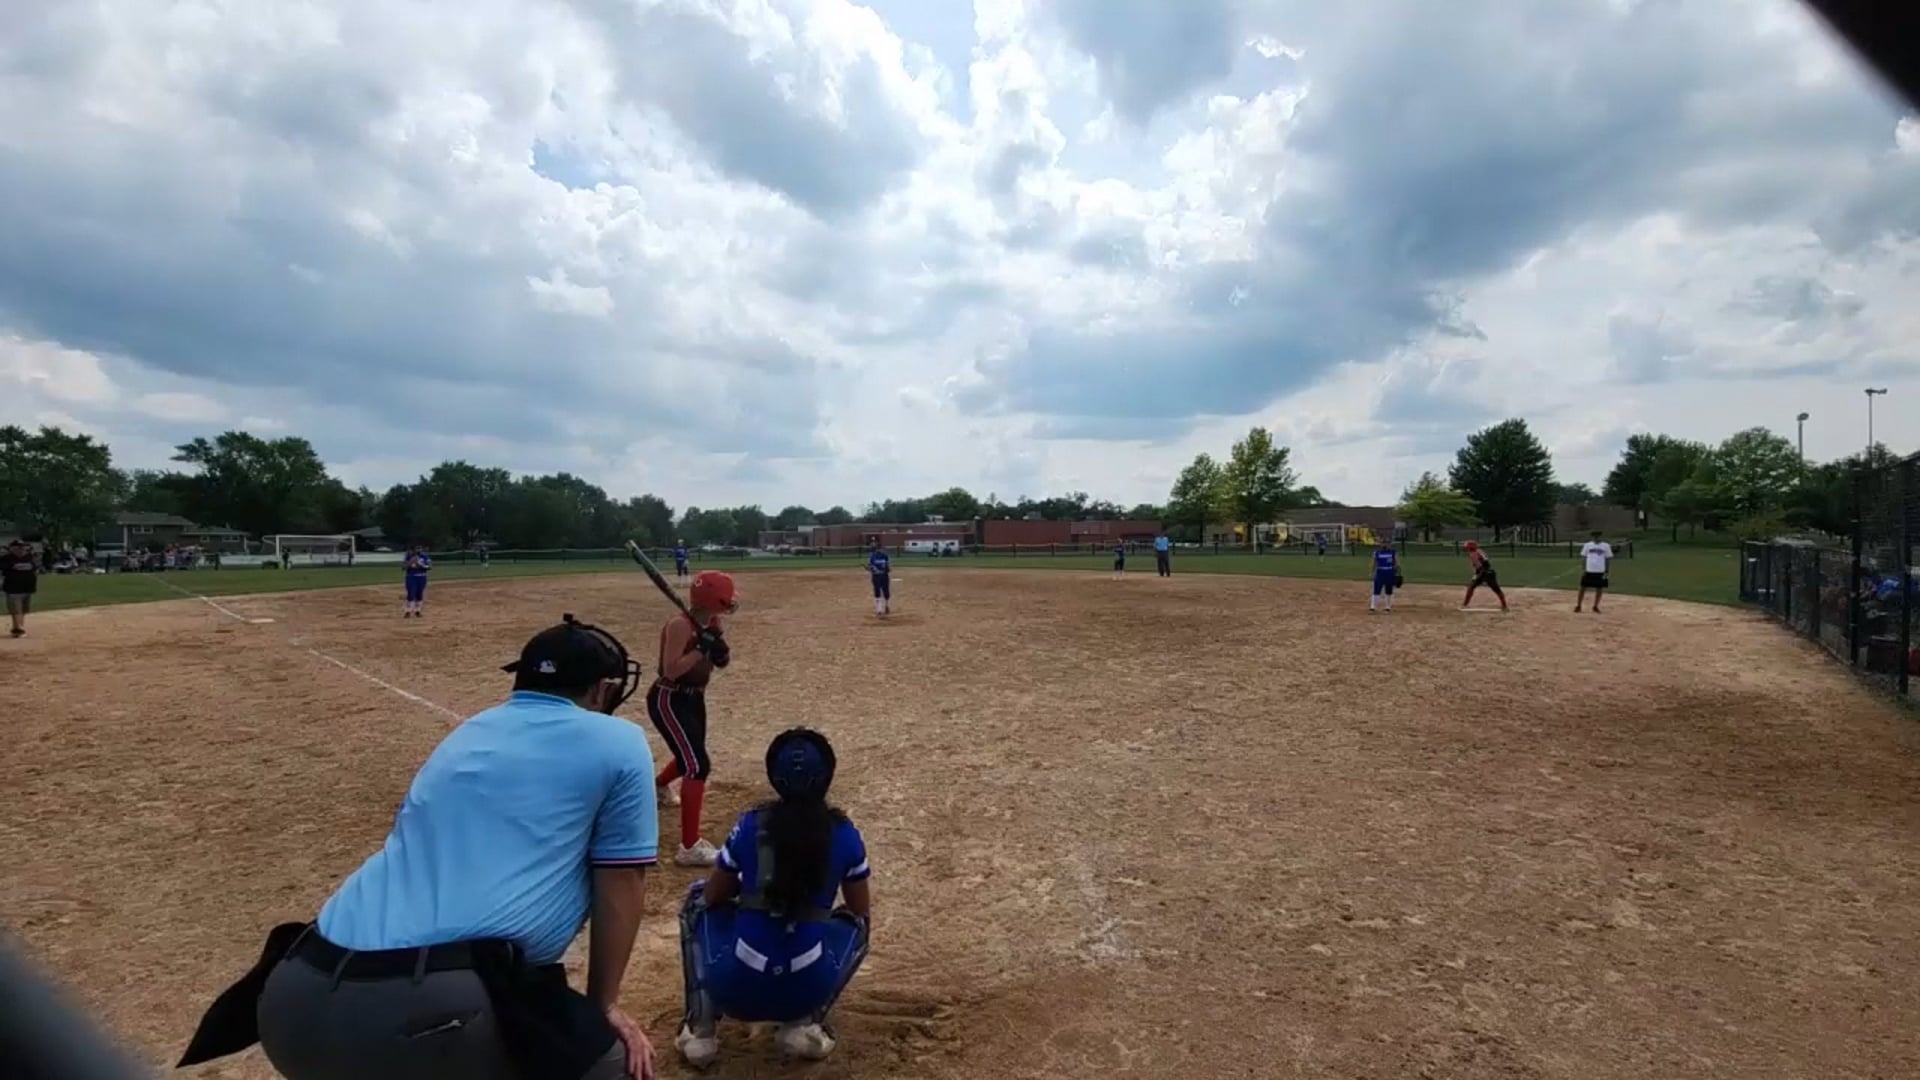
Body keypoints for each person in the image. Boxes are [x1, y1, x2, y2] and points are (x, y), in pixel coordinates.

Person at [179, 614, 660, 1080]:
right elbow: (622, 878)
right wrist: (603, 1006)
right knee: (612, 1064)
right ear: (602, 690)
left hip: (292, 994)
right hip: (420, 1010)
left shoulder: (471, 731)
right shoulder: (618, 739)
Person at [674, 728, 871, 1068]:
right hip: (806, 989)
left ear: (774, 778)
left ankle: (700, 1031)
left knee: (696, 904)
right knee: (857, 924)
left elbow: (714, 894)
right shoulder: (844, 833)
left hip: (734, 988)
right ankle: (806, 1025)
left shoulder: (751, 825)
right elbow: (859, 908)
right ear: (827, 776)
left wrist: (750, 893)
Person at [649, 570, 738, 866]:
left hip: (693, 698)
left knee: (689, 754)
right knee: (697, 764)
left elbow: (719, 662)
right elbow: (671, 670)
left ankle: (657, 787)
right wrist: (701, 648)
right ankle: (689, 847)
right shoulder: (680, 625)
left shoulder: (711, 623)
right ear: (714, 600)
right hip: (669, 698)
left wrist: (719, 653)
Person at [1461, 540, 1509, 612]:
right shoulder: (1479, 551)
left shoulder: (1473, 554)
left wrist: (1478, 575)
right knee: (1496, 589)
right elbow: (1485, 562)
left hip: (1484, 572)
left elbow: (1479, 566)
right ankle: (1504, 606)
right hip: (1489, 572)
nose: (1466, 548)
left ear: (1471, 547)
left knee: (1472, 587)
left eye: (1467, 547)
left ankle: (1464, 605)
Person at [5, 538, 37, 638]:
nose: (21, 549)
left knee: (24, 609)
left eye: (22, 547)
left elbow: (35, 568)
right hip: (13, 588)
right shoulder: (6, 558)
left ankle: (18, 627)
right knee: (16, 609)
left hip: (27, 587)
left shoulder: (29, 557)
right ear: (12, 549)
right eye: (18, 547)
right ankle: (18, 628)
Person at [1576, 531, 1613, 613]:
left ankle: (1595, 606)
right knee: (1582, 587)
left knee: (1599, 588)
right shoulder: (1587, 545)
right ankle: (1578, 605)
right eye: (1594, 536)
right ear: (1592, 537)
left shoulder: (1606, 546)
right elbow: (1584, 558)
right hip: (1589, 570)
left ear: (1600, 536)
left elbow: (1607, 559)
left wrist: (1607, 571)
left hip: (1600, 570)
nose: (1596, 537)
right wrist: (1583, 569)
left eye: (1598, 536)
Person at [1369, 537, 1400, 613]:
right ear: (1380, 544)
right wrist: (1372, 572)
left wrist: (1397, 573)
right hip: (1380, 571)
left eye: (1386, 543)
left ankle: (1387, 607)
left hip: (1390, 571)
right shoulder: (1377, 552)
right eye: (1383, 543)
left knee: (1389, 590)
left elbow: (1397, 563)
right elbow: (1374, 563)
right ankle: (1373, 607)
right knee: (1376, 589)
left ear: (1389, 544)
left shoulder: (1393, 552)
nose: (1385, 544)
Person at [402, 545, 432, 618]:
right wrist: (411, 561)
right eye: (417, 548)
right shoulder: (409, 556)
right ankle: (408, 611)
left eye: (420, 548)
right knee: (411, 593)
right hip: (411, 577)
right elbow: (404, 567)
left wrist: (420, 564)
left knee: (419, 593)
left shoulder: (424, 556)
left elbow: (429, 567)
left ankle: (418, 611)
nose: (418, 550)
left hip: (422, 577)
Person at [867, 541, 891, 616]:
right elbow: (870, 566)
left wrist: (886, 570)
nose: (880, 550)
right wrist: (874, 569)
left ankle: (886, 605)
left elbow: (888, 566)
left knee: (886, 591)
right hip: (876, 576)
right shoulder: (872, 556)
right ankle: (879, 609)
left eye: (881, 549)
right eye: (879, 549)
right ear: (876, 549)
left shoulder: (885, 556)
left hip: (884, 576)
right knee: (877, 590)